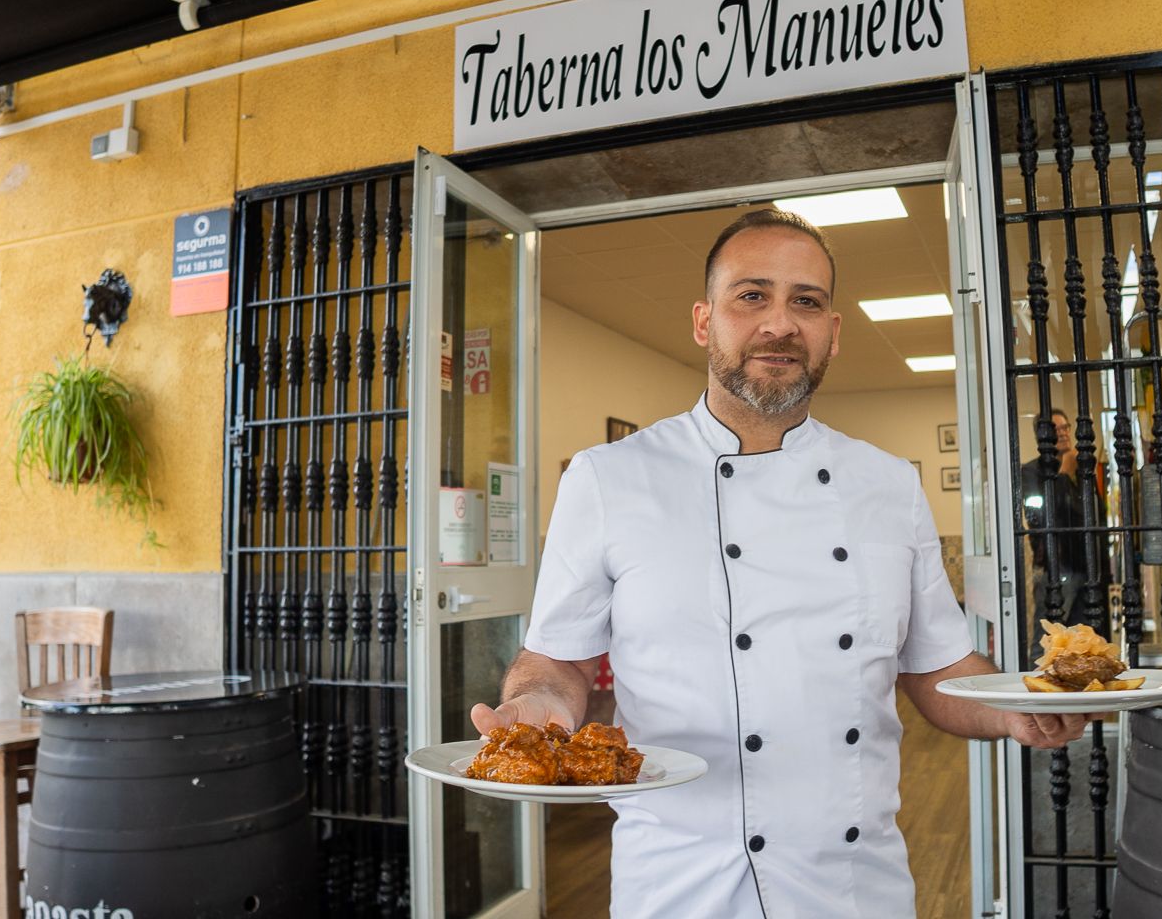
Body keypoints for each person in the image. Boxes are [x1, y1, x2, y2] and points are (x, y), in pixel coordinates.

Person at [471, 209, 1096, 918]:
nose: (781, 323)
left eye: (808, 301)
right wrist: (535, 710)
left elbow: (935, 669)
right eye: (752, 296)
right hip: (679, 881)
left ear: (834, 330)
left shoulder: (889, 484)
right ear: (705, 322)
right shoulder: (608, 479)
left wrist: (1021, 711)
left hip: (853, 882)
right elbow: (558, 663)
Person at [1020, 409, 1110, 659]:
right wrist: (1062, 476)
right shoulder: (1030, 473)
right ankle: (1039, 691)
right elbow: (1042, 518)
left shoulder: (1082, 471)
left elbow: (1096, 516)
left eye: (1065, 428)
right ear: (1042, 436)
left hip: (1088, 568)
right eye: (1056, 430)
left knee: (1084, 645)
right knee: (1048, 643)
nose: (1063, 434)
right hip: (1056, 569)